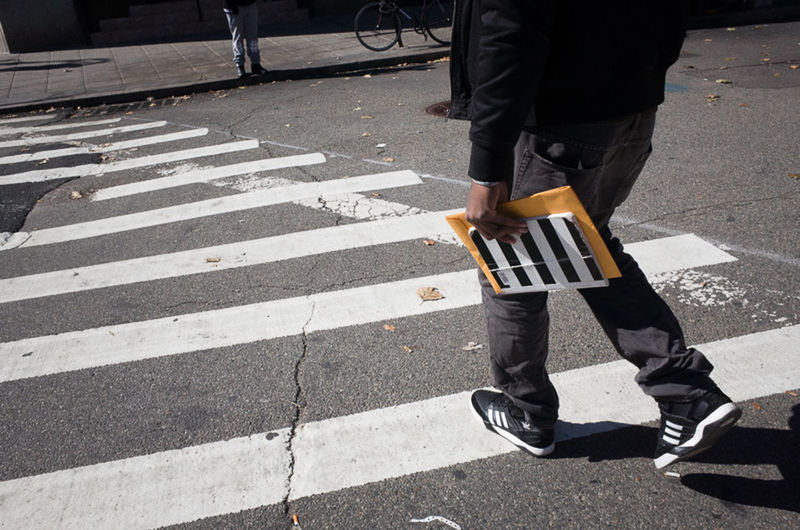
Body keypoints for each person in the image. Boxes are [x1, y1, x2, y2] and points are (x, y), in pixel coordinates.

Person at [448, 0, 741, 468]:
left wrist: (487, 166)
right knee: (589, 247)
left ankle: (528, 413)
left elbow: (510, 34)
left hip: (559, 122)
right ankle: (685, 392)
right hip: (630, 112)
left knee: (510, 267)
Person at [223, 0, 269, 78]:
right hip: (233, 7)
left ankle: (255, 64)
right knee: (238, 38)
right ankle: (240, 66)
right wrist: (231, 5)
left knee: (252, 36)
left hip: (250, 5)